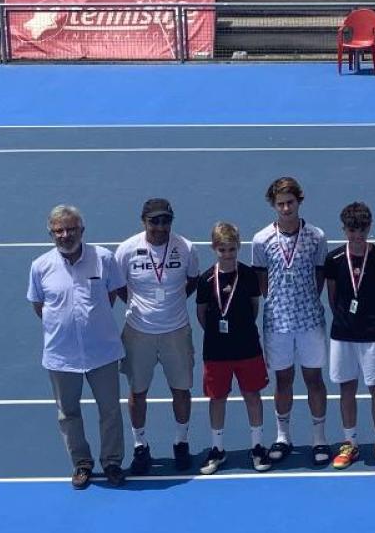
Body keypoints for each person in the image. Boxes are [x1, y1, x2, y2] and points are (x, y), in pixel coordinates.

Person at [28, 205, 127, 489]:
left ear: (82, 230)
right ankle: (81, 463)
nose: (65, 234)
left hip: (103, 351)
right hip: (61, 355)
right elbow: (40, 306)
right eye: (59, 230)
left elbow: (112, 295)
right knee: (68, 413)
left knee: (109, 410)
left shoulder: (104, 259)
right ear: (51, 234)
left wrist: (89, 322)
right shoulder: (40, 266)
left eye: (71, 228)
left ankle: (112, 462)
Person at [113, 198, 201, 475]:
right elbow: (118, 286)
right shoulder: (126, 250)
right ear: (144, 221)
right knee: (138, 392)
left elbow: (193, 281)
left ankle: (181, 442)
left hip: (176, 331)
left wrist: (171, 305)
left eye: (166, 221)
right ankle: (140, 445)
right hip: (139, 333)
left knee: (181, 390)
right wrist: (139, 308)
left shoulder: (186, 248)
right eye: (155, 221)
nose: (161, 227)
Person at [251, 177, 331, 468]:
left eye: (290, 202)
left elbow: (320, 274)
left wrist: (306, 299)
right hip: (277, 323)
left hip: (310, 320)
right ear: (273, 205)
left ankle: (319, 438)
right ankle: (283, 436)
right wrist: (280, 301)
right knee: (283, 381)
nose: (286, 208)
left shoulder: (316, 236)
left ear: (299, 201)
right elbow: (262, 281)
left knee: (314, 379)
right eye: (280, 203)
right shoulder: (261, 240)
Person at [324, 202, 375, 470]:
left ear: (369, 228)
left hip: (373, 334)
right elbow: (332, 296)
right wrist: (345, 319)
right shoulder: (333, 259)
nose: (357, 236)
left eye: (362, 230)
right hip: (343, 335)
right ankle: (350, 444)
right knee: (347, 388)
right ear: (344, 229)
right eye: (352, 231)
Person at [195, 222, 271, 474]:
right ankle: (217, 449)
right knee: (217, 398)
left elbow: (253, 307)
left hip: (247, 347)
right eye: (222, 250)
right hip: (216, 351)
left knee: (252, 395)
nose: (227, 255)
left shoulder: (248, 275)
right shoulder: (206, 279)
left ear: (238, 247)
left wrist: (240, 329)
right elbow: (202, 314)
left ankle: (258, 446)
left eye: (232, 249)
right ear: (214, 248)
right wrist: (219, 335)